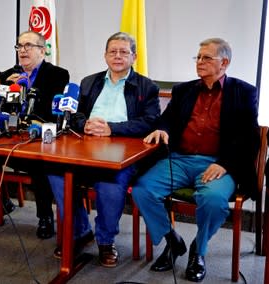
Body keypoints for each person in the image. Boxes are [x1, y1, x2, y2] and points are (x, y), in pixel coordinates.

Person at [131, 38, 260, 282]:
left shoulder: (243, 92)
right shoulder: (184, 90)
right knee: (142, 190)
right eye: (198, 57)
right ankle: (173, 240)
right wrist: (162, 129)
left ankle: (198, 251)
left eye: (206, 58)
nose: (200, 62)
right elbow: (166, 119)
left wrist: (225, 164)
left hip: (219, 164)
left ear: (224, 63)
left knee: (212, 200)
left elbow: (249, 138)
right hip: (180, 159)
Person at [47, 32, 161, 267]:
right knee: (57, 173)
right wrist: (84, 123)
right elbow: (75, 114)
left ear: (134, 57)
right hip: (85, 148)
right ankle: (79, 232)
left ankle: (106, 241)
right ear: (105, 55)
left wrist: (112, 128)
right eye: (112, 51)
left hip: (124, 152)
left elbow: (150, 121)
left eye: (123, 52)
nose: (117, 56)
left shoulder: (146, 86)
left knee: (110, 182)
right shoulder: (90, 82)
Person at [0, 31, 70, 239]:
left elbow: (47, 110)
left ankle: (45, 217)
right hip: (11, 137)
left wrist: (26, 90)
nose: (23, 50)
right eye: (20, 46)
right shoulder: (8, 74)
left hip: (38, 138)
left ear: (42, 50)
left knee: (39, 163)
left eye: (29, 45)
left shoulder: (58, 74)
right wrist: (7, 87)